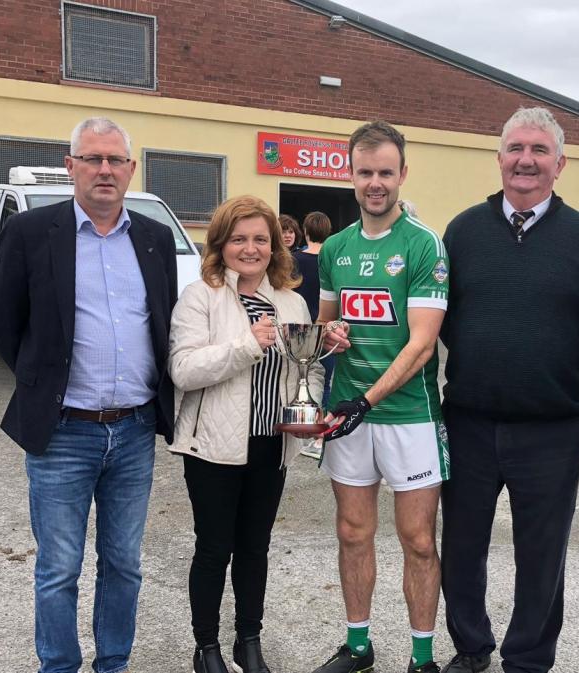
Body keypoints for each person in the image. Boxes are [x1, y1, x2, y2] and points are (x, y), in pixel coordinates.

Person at [0, 116, 177, 673]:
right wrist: (41, 381)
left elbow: (163, 322)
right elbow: (6, 324)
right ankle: (58, 666)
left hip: (134, 430)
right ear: (70, 166)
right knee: (58, 568)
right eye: (92, 158)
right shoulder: (30, 233)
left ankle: (113, 664)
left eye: (115, 160)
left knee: (124, 564)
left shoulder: (154, 239)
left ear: (131, 169)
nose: (104, 170)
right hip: (62, 432)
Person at [440, 107, 579, 673]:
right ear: (499, 159)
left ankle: (529, 659)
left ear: (559, 165)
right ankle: (471, 646)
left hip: (551, 429)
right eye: (516, 148)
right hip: (468, 421)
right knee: (461, 546)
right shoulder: (462, 232)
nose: (526, 160)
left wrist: (545, 370)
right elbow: (445, 319)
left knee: (541, 555)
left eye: (540, 150)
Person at [311, 120, 450, 673]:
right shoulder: (336, 248)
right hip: (348, 414)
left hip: (407, 414)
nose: (375, 183)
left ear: (402, 174)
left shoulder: (423, 243)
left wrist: (366, 400)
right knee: (352, 533)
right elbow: (324, 327)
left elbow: (422, 343)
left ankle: (422, 658)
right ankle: (358, 647)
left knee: (418, 540)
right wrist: (331, 334)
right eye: (365, 172)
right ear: (350, 175)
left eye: (385, 173)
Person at [168, 195, 323, 673]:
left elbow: (308, 367)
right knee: (214, 549)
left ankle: (248, 642)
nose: (250, 249)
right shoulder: (201, 297)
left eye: (260, 239)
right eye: (239, 239)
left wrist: (309, 404)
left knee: (255, 549)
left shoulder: (291, 301)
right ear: (220, 244)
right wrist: (245, 345)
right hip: (213, 448)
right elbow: (183, 369)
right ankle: (207, 648)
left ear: (275, 245)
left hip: (270, 445)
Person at [293, 211, 335, 459]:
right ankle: (322, 436)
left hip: (299, 332)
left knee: (300, 381)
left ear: (305, 232)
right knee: (325, 382)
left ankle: (303, 430)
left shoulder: (295, 260)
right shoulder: (333, 259)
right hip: (326, 331)